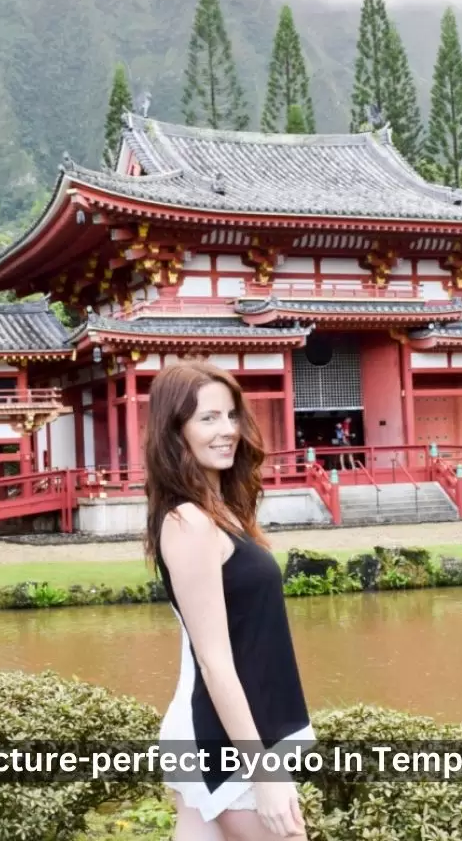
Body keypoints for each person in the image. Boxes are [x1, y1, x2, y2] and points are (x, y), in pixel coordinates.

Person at [144, 360, 314, 841]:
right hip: (221, 740)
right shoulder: (189, 523)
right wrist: (263, 772)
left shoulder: (222, 515)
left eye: (231, 415)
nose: (227, 431)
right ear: (175, 431)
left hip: (221, 732)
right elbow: (215, 661)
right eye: (207, 418)